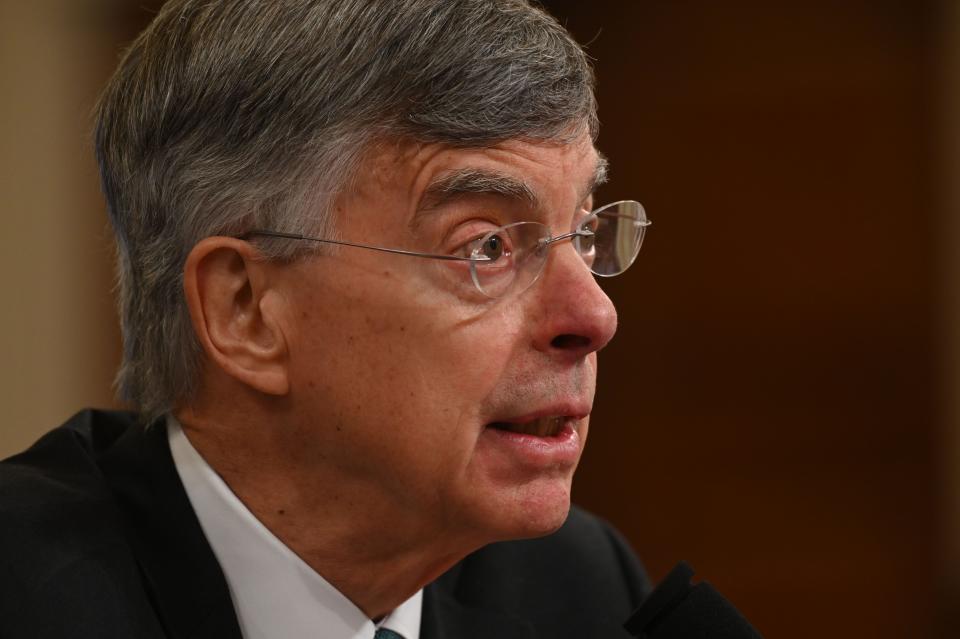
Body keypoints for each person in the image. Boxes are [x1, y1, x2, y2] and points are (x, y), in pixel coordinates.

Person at [0, 1, 653, 637]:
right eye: (485, 246)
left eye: (584, 231)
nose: (594, 314)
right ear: (247, 311)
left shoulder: (580, 587)